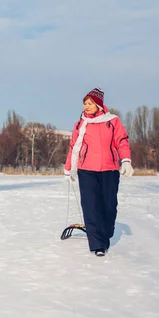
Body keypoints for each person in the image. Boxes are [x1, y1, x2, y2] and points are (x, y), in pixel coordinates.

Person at [64, 88, 133, 257]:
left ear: (98, 105)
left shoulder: (113, 121)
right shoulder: (81, 124)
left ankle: (105, 235)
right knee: (90, 207)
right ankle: (97, 245)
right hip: (86, 170)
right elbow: (74, 147)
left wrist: (125, 160)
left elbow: (122, 141)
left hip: (109, 170)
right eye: (84, 104)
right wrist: (68, 169)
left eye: (89, 103)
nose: (86, 107)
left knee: (109, 207)